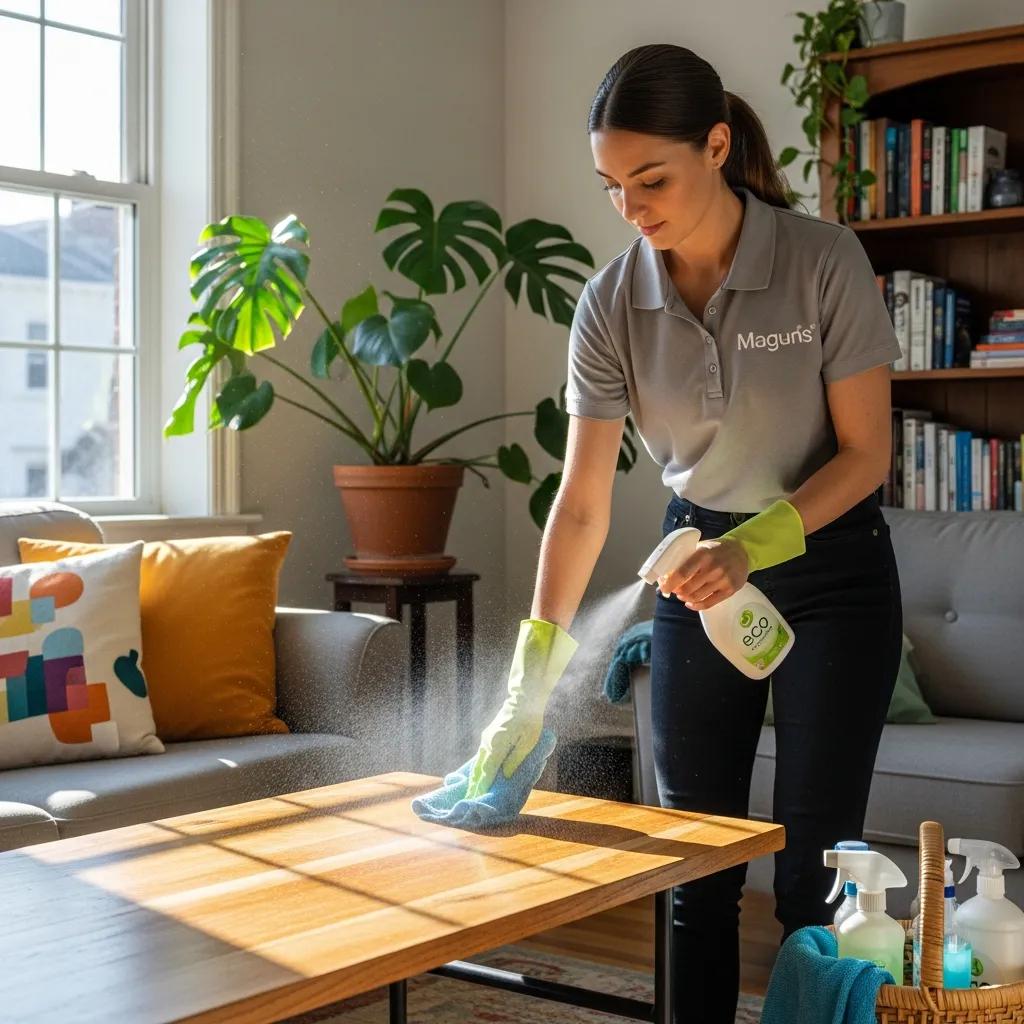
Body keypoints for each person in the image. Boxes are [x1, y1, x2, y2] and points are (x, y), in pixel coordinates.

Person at [460, 43, 903, 1023]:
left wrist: (751, 546)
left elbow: (865, 456)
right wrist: (529, 678)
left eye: (649, 178)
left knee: (812, 874)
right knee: (693, 865)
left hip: (831, 572)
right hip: (694, 567)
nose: (629, 206)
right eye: (610, 185)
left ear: (715, 145)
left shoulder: (823, 260)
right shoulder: (611, 302)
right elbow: (579, 503)